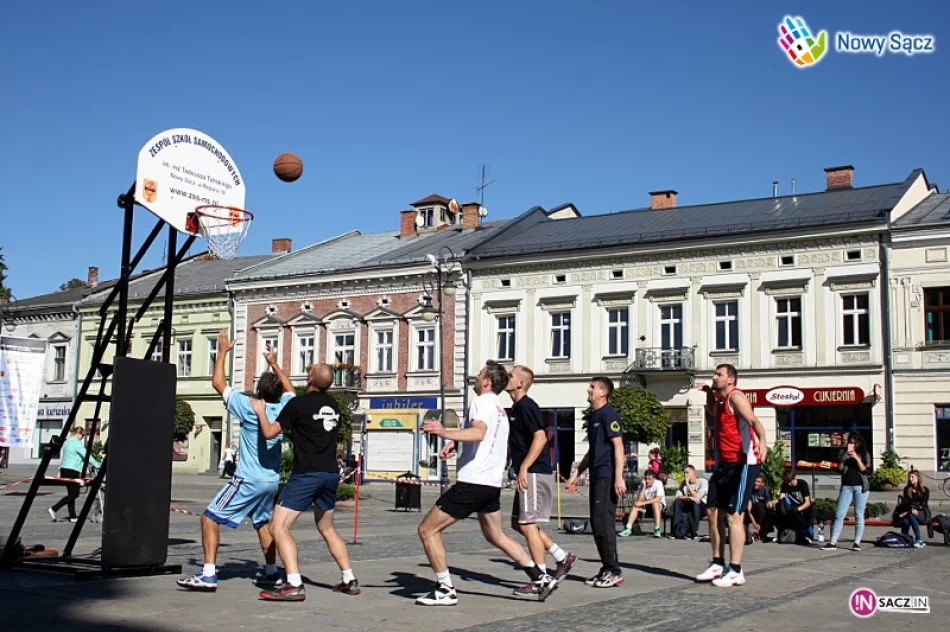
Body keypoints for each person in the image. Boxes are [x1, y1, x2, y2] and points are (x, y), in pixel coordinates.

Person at [415, 361, 557, 606]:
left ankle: (445, 588)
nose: (476, 377)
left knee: (427, 530)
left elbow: (479, 432)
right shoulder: (501, 409)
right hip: (491, 484)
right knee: (496, 535)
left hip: (472, 481)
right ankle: (540, 577)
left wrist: (445, 432)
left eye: (479, 374)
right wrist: (458, 443)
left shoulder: (481, 402)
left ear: (487, 382)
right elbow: (485, 437)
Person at [177, 333, 294, 592]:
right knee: (262, 522)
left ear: (259, 391)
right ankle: (272, 571)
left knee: (209, 518)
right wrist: (274, 363)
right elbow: (290, 390)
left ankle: (208, 574)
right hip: (271, 480)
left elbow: (218, 383)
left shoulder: (249, 405)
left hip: (247, 479)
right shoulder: (286, 408)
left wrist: (222, 352)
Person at [251, 363, 359, 601]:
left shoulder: (297, 405)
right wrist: (274, 363)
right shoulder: (335, 406)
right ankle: (349, 578)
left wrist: (260, 410)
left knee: (278, 527)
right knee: (327, 528)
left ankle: (293, 583)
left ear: (310, 378)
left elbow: (270, 432)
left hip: (307, 474)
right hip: (330, 474)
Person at [505, 365, 576, 597]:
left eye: (511, 375)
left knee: (527, 524)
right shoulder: (516, 407)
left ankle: (541, 578)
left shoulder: (527, 406)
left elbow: (541, 437)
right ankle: (562, 557)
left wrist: (524, 467)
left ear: (520, 383)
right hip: (527, 472)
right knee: (519, 523)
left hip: (535, 471)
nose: (507, 377)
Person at [695, 364, 768, 588]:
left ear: (731, 380)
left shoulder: (736, 398)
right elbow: (711, 413)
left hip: (743, 462)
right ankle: (718, 563)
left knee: (734, 515)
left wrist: (763, 443)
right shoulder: (720, 400)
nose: (714, 377)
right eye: (714, 374)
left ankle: (736, 570)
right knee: (712, 509)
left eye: (719, 375)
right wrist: (709, 392)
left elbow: (755, 421)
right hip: (724, 463)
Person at [566, 376, 626, 588]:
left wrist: (619, 477)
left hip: (607, 475)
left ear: (603, 392)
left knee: (603, 522)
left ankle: (613, 570)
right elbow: (593, 451)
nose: (588, 390)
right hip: (597, 474)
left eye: (593, 387)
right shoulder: (594, 417)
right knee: (596, 522)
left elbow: (619, 447)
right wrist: (577, 473)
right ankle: (606, 566)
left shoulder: (609, 414)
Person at [821, 432, 871, 552]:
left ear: (859, 443)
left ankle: (857, 542)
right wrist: (843, 459)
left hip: (861, 487)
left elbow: (865, 469)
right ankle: (833, 542)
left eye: (854, 443)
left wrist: (856, 458)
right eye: (850, 442)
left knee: (859, 515)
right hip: (847, 486)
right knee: (839, 514)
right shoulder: (843, 453)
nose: (852, 445)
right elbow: (839, 469)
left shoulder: (864, 454)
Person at [49, 426, 100, 523]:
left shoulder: (67, 442)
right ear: (78, 434)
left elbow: (65, 457)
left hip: (65, 469)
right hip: (72, 470)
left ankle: (72, 517)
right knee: (75, 494)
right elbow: (86, 455)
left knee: (71, 494)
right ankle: (54, 508)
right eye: (83, 435)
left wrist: (60, 470)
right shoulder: (76, 444)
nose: (83, 437)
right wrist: (97, 465)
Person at [618, 469, 666, 538]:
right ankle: (628, 529)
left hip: (659, 507)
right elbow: (640, 500)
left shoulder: (658, 483)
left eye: (649, 479)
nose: (647, 481)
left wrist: (642, 503)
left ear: (654, 479)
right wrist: (643, 488)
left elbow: (658, 499)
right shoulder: (643, 484)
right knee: (636, 505)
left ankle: (657, 529)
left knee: (655, 503)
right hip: (646, 508)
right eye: (646, 478)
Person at [772, 469, 814, 541]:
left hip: (803, 507)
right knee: (778, 510)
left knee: (796, 514)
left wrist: (798, 509)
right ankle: (782, 534)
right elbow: (782, 498)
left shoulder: (802, 484)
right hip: (792, 507)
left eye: (789, 481)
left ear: (794, 478)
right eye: (786, 482)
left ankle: (805, 532)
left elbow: (808, 503)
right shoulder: (785, 484)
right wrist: (775, 502)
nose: (788, 484)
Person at [671, 465, 709, 540]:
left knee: (695, 503)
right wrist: (689, 497)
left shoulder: (702, 482)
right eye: (684, 473)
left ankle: (694, 531)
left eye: (687, 472)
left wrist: (688, 485)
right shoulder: (683, 484)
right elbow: (677, 496)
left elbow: (697, 498)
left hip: (702, 507)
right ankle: (676, 530)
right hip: (689, 505)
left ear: (693, 472)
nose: (685, 475)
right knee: (678, 502)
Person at [895, 470, 930, 548]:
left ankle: (918, 539)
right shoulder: (907, 489)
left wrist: (911, 510)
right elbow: (905, 503)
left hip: (922, 512)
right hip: (910, 512)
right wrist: (910, 510)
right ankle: (906, 539)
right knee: (905, 521)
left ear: (918, 478)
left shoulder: (924, 490)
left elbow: (923, 503)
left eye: (912, 477)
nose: (910, 479)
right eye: (909, 477)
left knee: (909, 515)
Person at [746, 474, 773, 541]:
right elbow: (748, 510)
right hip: (753, 512)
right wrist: (754, 523)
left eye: (758, 482)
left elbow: (770, 507)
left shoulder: (765, 490)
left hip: (763, 512)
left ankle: (762, 532)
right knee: (746, 509)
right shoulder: (750, 490)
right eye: (755, 481)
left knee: (761, 506)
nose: (755, 483)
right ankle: (746, 533)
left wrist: (765, 526)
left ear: (762, 483)